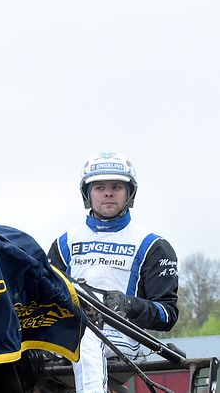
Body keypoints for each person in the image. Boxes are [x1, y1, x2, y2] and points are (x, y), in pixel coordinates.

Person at [47, 152, 179, 393]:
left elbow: (168, 315)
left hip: (122, 340)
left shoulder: (152, 245)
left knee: (85, 334)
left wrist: (128, 304)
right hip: (66, 336)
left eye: (116, 186)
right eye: (99, 187)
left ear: (130, 193)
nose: (108, 193)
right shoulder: (63, 244)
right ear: (88, 194)